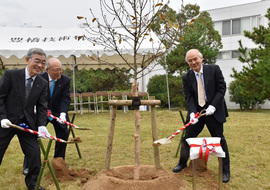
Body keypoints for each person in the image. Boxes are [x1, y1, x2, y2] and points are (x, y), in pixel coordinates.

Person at [172, 49, 230, 183]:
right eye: (190, 61)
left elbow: (221, 88)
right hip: (197, 114)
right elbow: (189, 96)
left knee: (219, 140)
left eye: (195, 59)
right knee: (187, 138)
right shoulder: (187, 77)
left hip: (213, 111)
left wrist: (214, 106)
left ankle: (225, 171)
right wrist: (192, 112)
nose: (193, 62)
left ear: (201, 59)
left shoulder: (214, 70)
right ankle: (182, 163)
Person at [0, 48, 51, 190]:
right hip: (6, 122)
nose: (40, 65)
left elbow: (42, 106)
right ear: (27, 60)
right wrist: (2, 117)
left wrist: (41, 125)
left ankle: (33, 185)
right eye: (37, 61)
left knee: (34, 154)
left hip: (27, 123)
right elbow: (0, 97)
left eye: (43, 63)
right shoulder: (11, 75)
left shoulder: (42, 82)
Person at [23, 57, 71, 174]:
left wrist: (63, 114)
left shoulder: (65, 80)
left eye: (61, 70)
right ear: (47, 69)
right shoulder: (39, 79)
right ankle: (29, 165)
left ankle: (59, 162)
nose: (59, 73)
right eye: (56, 70)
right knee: (32, 136)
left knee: (63, 133)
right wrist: (34, 109)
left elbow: (65, 98)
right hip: (40, 111)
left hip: (57, 112)